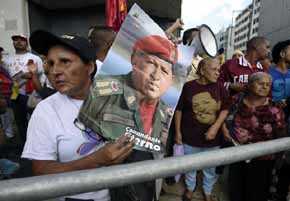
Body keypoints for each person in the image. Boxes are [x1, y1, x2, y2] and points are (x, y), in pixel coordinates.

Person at [21, 30, 134, 201]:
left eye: (65, 62)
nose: (55, 71)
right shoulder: (46, 110)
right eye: (50, 63)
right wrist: (96, 160)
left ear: (89, 67)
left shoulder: (116, 99)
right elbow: (41, 170)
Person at [77, 34, 178, 201]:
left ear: (171, 80)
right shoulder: (103, 94)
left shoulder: (166, 112)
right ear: (134, 59)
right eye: (151, 63)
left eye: (165, 71)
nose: (156, 75)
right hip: (107, 177)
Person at [175, 58, 229, 201]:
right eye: (214, 70)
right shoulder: (188, 87)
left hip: (213, 139)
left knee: (210, 168)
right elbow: (179, 110)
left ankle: (208, 191)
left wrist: (215, 127)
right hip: (190, 136)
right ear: (202, 70)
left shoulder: (220, 87)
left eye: (219, 70)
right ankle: (190, 188)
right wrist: (178, 133)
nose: (218, 73)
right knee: (190, 166)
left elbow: (225, 109)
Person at [227, 72, 286, 201]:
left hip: (262, 159)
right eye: (260, 83)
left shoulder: (274, 109)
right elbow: (225, 118)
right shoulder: (236, 100)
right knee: (235, 191)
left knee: (256, 194)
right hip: (237, 155)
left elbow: (280, 136)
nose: (265, 87)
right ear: (250, 85)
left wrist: (278, 160)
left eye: (268, 85)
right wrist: (226, 133)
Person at [2, 34, 44, 142]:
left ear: (27, 43)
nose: (19, 42)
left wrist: (30, 75)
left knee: (35, 120)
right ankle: (24, 144)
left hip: (31, 95)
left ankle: (37, 142)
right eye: (16, 40)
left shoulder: (35, 58)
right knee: (20, 121)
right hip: (14, 94)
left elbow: (42, 75)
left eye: (22, 40)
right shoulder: (6, 59)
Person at [269, 40, 290, 201]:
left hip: (288, 121)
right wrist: (274, 102)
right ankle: (270, 187)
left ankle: (280, 191)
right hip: (270, 121)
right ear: (282, 54)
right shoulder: (268, 73)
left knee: (285, 158)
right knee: (271, 156)